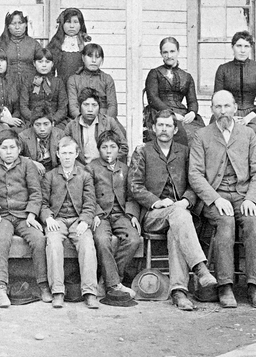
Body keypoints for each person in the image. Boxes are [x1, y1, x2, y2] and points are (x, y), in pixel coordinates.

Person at [128, 109, 217, 311]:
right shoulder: (143, 151)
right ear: (153, 128)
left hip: (180, 215)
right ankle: (200, 268)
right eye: (160, 125)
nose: (164, 129)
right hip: (153, 215)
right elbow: (134, 185)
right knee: (178, 216)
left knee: (177, 226)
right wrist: (155, 201)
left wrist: (186, 201)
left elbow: (195, 181)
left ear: (175, 129)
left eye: (168, 125)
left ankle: (179, 292)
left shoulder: (184, 152)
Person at [188, 89, 256, 309]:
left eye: (226, 106)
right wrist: (214, 199)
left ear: (234, 107)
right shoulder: (202, 135)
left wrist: (252, 199)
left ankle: (254, 287)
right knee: (225, 223)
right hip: (216, 196)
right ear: (212, 110)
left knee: (253, 225)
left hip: (243, 196)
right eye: (218, 107)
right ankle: (225, 286)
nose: (223, 111)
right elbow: (194, 174)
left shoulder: (248, 134)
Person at [0, 131, 47, 307]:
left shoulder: (28, 165)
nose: (8, 152)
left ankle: (43, 284)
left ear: (19, 148)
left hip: (24, 215)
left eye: (12, 147)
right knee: (1, 240)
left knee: (38, 239)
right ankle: (0, 287)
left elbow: (36, 193)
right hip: (3, 215)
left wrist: (31, 214)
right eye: (4, 148)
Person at [40, 136, 99, 309]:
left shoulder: (84, 176)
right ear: (57, 154)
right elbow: (42, 202)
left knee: (87, 244)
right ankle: (57, 291)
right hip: (57, 220)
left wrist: (85, 220)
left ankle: (89, 292)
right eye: (63, 153)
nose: (67, 157)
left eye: (70, 153)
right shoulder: (50, 176)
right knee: (53, 243)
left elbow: (90, 203)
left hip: (77, 220)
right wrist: (48, 217)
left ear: (76, 154)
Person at [90, 130, 142, 297]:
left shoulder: (125, 169)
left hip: (121, 214)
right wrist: (96, 213)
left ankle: (109, 281)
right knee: (102, 239)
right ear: (99, 149)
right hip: (101, 215)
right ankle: (114, 284)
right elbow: (87, 195)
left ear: (119, 149)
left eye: (112, 147)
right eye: (104, 147)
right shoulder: (91, 168)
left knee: (133, 239)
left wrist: (132, 214)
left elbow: (132, 195)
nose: (108, 150)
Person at [213, 30, 256, 150]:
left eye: (246, 46)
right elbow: (217, 97)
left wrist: (248, 118)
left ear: (250, 48)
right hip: (227, 111)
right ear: (232, 47)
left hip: (253, 113)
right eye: (239, 46)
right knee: (216, 132)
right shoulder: (223, 69)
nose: (242, 50)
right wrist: (229, 115)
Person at [144, 36, 204, 146]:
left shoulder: (186, 76)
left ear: (178, 51)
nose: (169, 55)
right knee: (181, 132)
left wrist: (192, 112)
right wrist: (172, 113)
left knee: (200, 133)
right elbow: (153, 98)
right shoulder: (155, 73)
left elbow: (192, 101)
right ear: (161, 54)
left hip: (181, 113)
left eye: (172, 51)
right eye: (165, 52)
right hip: (159, 111)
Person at [66, 88, 129, 165]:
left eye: (94, 105)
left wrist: (107, 162)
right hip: (82, 170)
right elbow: (64, 149)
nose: (90, 109)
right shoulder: (71, 126)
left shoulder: (109, 122)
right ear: (79, 107)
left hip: (104, 169)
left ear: (99, 107)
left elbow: (124, 147)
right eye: (86, 105)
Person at [67, 43, 120, 123]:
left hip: (105, 119)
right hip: (80, 120)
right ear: (83, 58)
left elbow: (112, 106)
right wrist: (84, 121)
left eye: (98, 57)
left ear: (102, 59)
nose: (94, 60)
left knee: (122, 135)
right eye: (90, 56)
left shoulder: (107, 79)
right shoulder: (73, 80)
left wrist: (103, 122)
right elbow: (73, 107)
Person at [0, 10, 43, 90]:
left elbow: (44, 63)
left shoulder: (34, 44)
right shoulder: (0, 45)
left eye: (20, 23)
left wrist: (39, 77)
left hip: (31, 86)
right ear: (8, 26)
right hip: (7, 86)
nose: (17, 27)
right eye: (13, 24)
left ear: (26, 24)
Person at [23, 46, 68, 126]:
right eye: (40, 62)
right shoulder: (28, 82)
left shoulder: (58, 82)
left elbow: (63, 107)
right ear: (34, 63)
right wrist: (34, 120)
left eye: (47, 62)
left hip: (54, 121)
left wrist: (54, 120)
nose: (44, 65)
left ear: (52, 64)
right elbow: (23, 106)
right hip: (32, 121)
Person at [46, 7, 91, 79]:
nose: (72, 26)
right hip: (61, 86)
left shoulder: (84, 45)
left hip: (79, 86)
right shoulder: (55, 44)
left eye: (75, 22)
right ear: (62, 24)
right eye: (68, 22)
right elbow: (49, 72)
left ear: (81, 25)